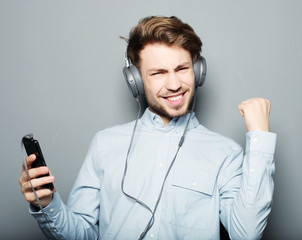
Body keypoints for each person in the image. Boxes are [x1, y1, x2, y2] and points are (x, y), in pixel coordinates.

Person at [19, 16, 276, 240]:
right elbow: (81, 233)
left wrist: (259, 138)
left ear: (198, 71)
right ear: (136, 81)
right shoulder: (105, 144)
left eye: (182, 68)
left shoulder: (226, 153)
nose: (174, 84)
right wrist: (47, 203)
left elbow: (246, 233)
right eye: (158, 73)